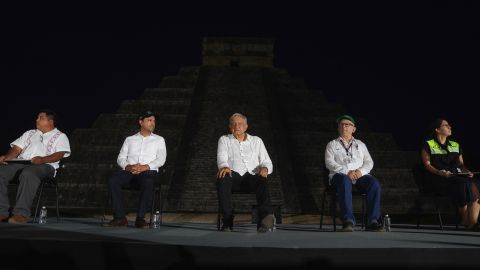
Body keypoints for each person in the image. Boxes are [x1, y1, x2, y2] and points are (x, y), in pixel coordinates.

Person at [0, 110, 71, 224]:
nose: (36, 120)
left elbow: (59, 155)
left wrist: (42, 159)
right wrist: (7, 158)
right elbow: (16, 149)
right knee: (1, 172)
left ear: (50, 121)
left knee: (29, 173)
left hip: (46, 165)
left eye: (40, 118)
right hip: (22, 163)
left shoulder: (60, 136)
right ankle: (2, 212)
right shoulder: (30, 133)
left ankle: (21, 214)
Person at [106, 111, 166, 228]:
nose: (153, 123)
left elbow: (161, 159)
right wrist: (129, 167)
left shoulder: (159, 140)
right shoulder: (130, 139)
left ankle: (140, 218)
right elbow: (121, 158)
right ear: (140, 122)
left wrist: (144, 167)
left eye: (154, 121)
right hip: (130, 171)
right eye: (149, 120)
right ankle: (120, 218)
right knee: (113, 180)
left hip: (149, 172)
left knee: (148, 181)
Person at [216, 113, 275, 233]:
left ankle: (265, 218)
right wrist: (224, 166)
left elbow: (266, 161)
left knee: (262, 179)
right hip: (233, 177)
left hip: (252, 177)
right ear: (230, 126)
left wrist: (265, 169)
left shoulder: (257, 141)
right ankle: (227, 219)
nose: (237, 126)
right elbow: (221, 158)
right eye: (234, 124)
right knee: (222, 177)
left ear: (246, 126)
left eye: (240, 124)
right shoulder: (224, 139)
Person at [324, 115, 383, 232]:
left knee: (374, 183)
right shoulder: (332, 144)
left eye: (347, 124)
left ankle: (372, 221)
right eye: (341, 124)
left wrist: (360, 172)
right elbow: (329, 163)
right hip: (340, 175)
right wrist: (347, 172)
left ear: (353, 129)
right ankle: (348, 221)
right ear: (338, 128)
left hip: (358, 175)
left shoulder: (361, 144)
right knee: (345, 181)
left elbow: (369, 162)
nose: (344, 126)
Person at [421, 118, 480, 230]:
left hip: (456, 177)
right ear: (437, 129)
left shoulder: (455, 144)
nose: (450, 127)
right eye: (446, 125)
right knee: (463, 184)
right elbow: (427, 165)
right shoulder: (428, 144)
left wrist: (467, 171)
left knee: (475, 183)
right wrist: (440, 172)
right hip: (438, 179)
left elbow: (461, 165)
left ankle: (473, 221)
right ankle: (466, 220)